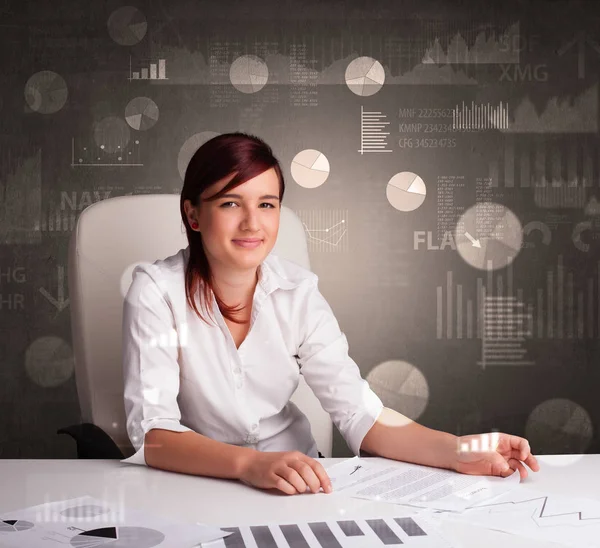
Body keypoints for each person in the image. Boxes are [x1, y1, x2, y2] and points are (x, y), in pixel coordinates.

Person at [122, 131, 540, 496]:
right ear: (193, 214)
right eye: (231, 203)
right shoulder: (156, 291)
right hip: (197, 488)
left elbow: (358, 412)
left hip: (299, 484)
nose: (253, 223)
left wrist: (460, 451)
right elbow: (154, 435)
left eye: (267, 205)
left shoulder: (299, 293)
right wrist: (249, 465)